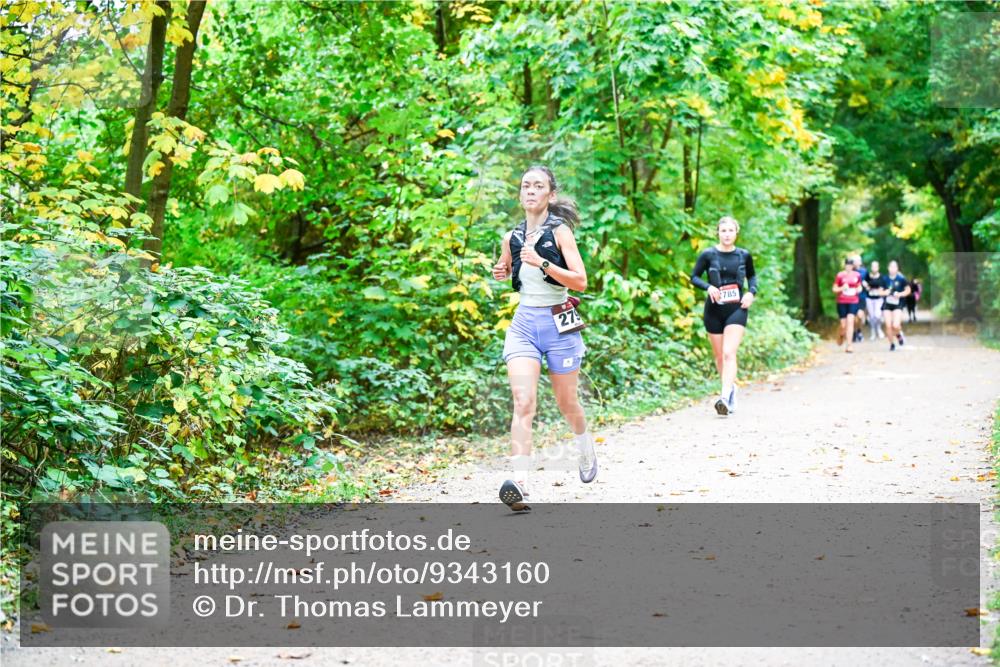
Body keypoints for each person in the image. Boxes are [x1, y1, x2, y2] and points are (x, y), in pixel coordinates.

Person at [491, 165, 597, 511]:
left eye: (538, 186)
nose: (530, 191)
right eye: (526, 186)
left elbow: (580, 281)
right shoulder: (512, 236)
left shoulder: (561, 232)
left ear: (551, 195)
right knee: (523, 402)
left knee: (567, 403)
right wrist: (502, 270)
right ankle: (519, 483)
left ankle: (584, 444)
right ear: (520, 194)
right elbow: (507, 266)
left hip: (558, 323)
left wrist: (543, 263)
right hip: (524, 324)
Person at [690, 216, 758, 416]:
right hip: (713, 310)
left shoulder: (744, 255)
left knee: (729, 353)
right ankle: (731, 391)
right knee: (720, 357)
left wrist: (750, 293)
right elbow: (694, 277)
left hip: (737, 309)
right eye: (723, 231)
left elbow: (752, 276)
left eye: (730, 230)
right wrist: (708, 286)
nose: (727, 234)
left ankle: (724, 396)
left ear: (736, 232)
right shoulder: (708, 254)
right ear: (718, 233)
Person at [832, 257, 862, 353]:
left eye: (850, 265)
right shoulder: (840, 275)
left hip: (853, 301)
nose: (848, 267)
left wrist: (859, 289)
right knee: (843, 325)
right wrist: (842, 288)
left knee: (850, 321)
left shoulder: (857, 275)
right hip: (842, 302)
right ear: (844, 266)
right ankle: (841, 334)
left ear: (852, 266)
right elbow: (834, 289)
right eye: (847, 265)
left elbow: (859, 286)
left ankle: (849, 345)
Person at [882, 260, 911, 351]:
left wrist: (900, 294)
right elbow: (880, 291)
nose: (892, 269)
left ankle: (898, 334)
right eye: (891, 267)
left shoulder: (901, 278)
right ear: (888, 268)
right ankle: (892, 344)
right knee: (888, 325)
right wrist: (884, 292)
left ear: (897, 268)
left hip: (898, 304)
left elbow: (908, 290)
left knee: (895, 325)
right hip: (887, 304)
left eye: (894, 267)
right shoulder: (884, 279)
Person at [863, 260, 888, 340]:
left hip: (878, 298)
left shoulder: (882, 277)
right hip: (869, 298)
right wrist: (867, 286)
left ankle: (878, 328)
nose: (874, 268)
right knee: (872, 316)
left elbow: (884, 287)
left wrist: (879, 289)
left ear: (878, 267)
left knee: (877, 315)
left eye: (876, 266)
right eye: (873, 266)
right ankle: (873, 331)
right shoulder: (867, 276)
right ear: (871, 267)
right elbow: (863, 283)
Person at [852, 255, 868, 343]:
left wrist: (867, 285)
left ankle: (859, 330)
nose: (856, 262)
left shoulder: (864, 271)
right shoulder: (849, 271)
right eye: (854, 261)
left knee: (860, 316)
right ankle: (854, 332)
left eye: (857, 261)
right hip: (852, 298)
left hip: (862, 296)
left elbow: (871, 282)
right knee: (854, 317)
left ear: (860, 262)